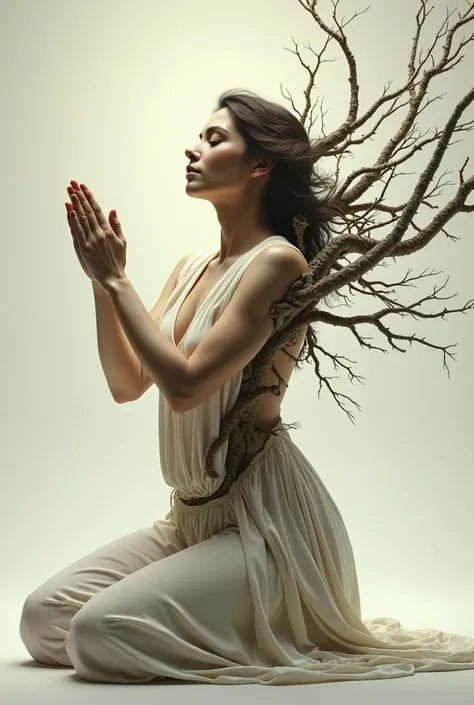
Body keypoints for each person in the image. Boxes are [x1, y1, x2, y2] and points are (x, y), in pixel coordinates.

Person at [19, 90, 474, 685]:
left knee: (97, 636)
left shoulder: (278, 263)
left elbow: (184, 387)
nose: (194, 147)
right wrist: (105, 285)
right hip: (190, 517)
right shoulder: (189, 267)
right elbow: (127, 383)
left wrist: (117, 280)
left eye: (214, 139)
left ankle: (267, 620)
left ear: (260, 165)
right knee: (43, 621)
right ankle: (215, 618)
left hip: (265, 524)